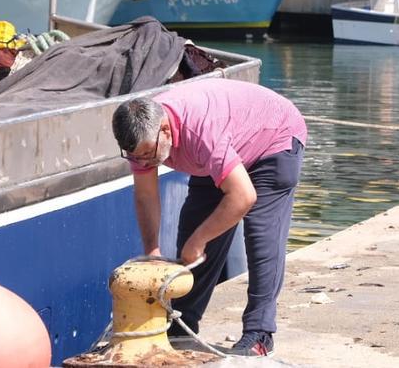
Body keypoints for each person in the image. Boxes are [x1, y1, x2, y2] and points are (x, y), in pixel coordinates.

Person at [112, 78, 307, 358]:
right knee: (192, 232)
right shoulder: (143, 138)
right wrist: (152, 251)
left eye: (147, 155)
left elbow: (243, 197)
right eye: (134, 157)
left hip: (274, 138)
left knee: (260, 236)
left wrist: (200, 239)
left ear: (165, 131)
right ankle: (183, 323)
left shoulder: (201, 131)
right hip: (220, 152)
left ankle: (259, 332)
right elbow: (145, 196)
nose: (142, 163)